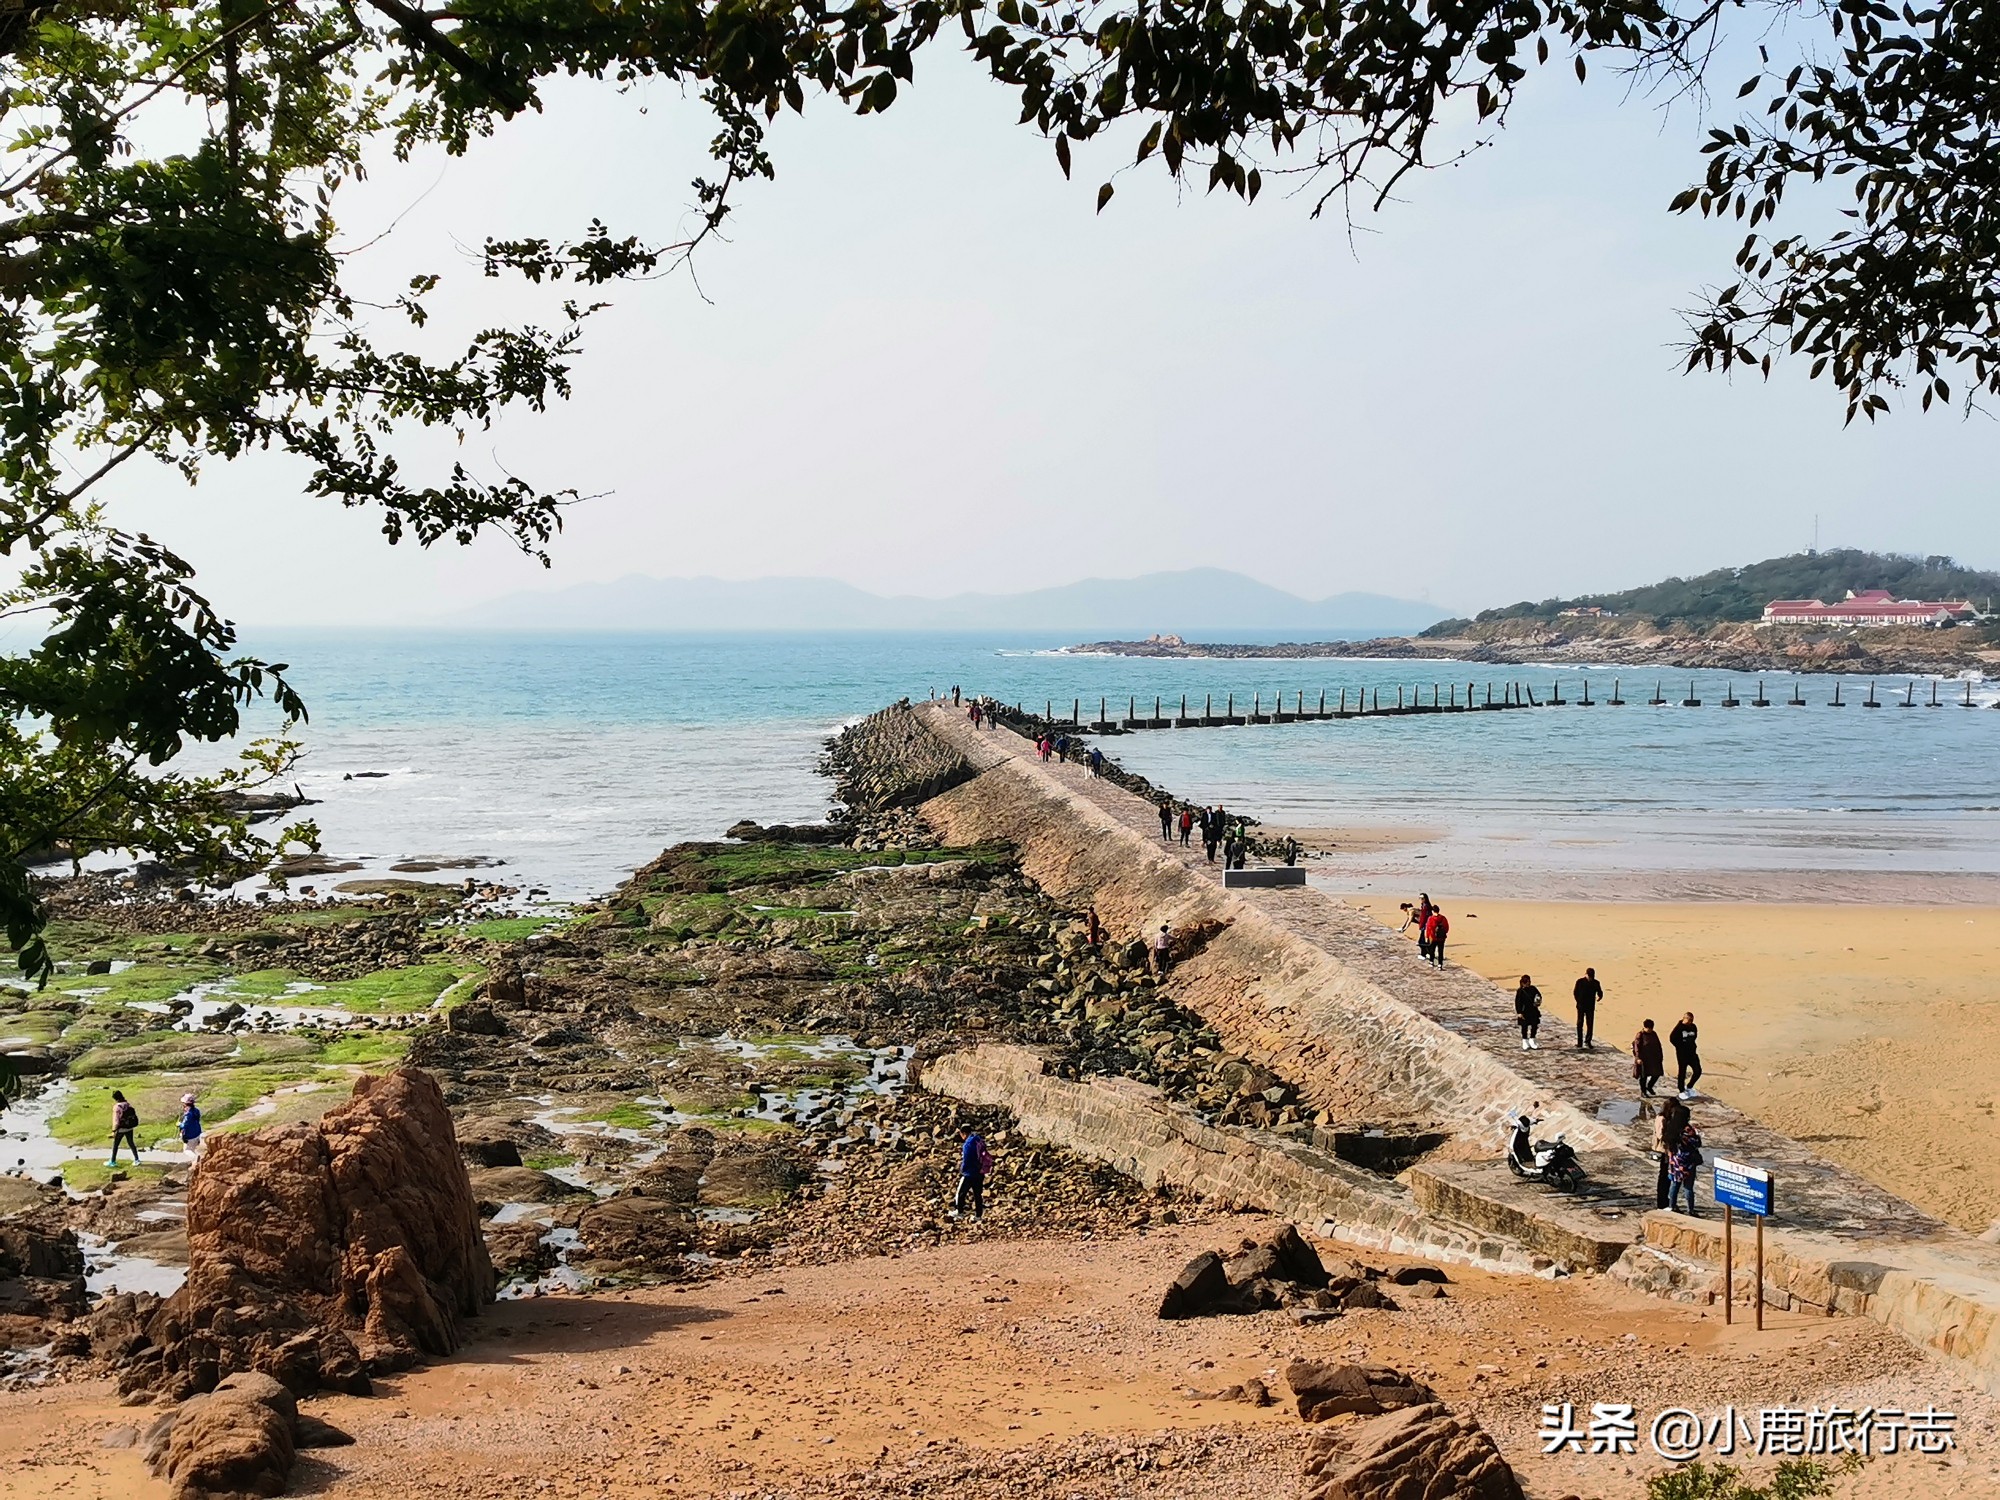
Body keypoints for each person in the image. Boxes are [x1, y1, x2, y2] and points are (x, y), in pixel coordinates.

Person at [1652, 1096, 1689, 1209]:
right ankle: (1662, 1201)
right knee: (1664, 1176)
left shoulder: (1668, 1118)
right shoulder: (1661, 1118)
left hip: (1668, 1150)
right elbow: (1660, 1135)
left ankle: (1665, 1200)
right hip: (1663, 1150)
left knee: (1668, 1176)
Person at [1668, 1116, 1704, 1215]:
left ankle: (1672, 1205)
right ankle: (1690, 1210)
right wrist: (1695, 1135)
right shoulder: (1689, 1136)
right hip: (1688, 1165)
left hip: (1676, 1163)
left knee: (1675, 1184)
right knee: (1688, 1187)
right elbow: (1697, 1144)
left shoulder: (1673, 1132)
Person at [954, 1127, 992, 1218]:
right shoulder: (978, 1140)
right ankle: (978, 1215)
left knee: (961, 1193)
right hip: (980, 1172)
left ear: (963, 1133)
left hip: (969, 1173)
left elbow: (966, 1159)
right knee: (977, 1195)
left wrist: (963, 1169)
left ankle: (960, 1212)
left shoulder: (967, 1144)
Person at [1670, 1012, 1703, 1098]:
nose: (1691, 1022)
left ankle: (1689, 1086)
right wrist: (1680, 1046)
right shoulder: (1679, 1028)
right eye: (1689, 1020)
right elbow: (1672, 1038)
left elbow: (1694, 1036)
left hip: (1692, 1053)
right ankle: (1681, 1090)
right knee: (1682, 1072)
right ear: (1685, 1018)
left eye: (1692, 1020)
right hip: (1682, 1054)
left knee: (1698, 1071)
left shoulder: (1693, 1027)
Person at [1632, 1020, 1665, 1098]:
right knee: (1643, 1076)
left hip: (1653, 1058)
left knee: (1657, 1073)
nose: (1650, 1030)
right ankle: (1643, 1091)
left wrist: (1660, 1056)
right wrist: (1638, 1058)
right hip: (1643, 1059)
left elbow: (1658, 1045)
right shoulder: (1640, 1035)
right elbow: (1636, 1047)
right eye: (1648, 1028)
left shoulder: (1654, 1034)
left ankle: (1649, 1086)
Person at [1573, 967, 1603, 1050]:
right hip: (1581, 1006)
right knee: (1579, 1023)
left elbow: (1600, 992)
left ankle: (1588, 1041)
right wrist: (1578, 1001)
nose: (1590, 978)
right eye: (1589, 976)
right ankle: (1580, 1042)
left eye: (1592, 977)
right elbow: (1575, 993)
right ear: (1586, 974)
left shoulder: (1596, 983)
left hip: (1590, 1007)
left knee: (1590, 1024)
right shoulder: (1580, 982)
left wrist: (1599, 997)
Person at [107, 1090, 138, 1167]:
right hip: (129, 1127)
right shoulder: (127, 1104)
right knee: (131, 1143)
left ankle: (113, 1161)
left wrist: (114, 1131)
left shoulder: (117, 1107)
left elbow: (116, 1121)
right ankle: (136, 1159)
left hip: (121, 1129)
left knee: (115, 1145)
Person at [1514, 975, 1543, 1050]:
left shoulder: (1533, 988)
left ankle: (1532, 1039)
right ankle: (1525, 1040)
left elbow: (1539, 995)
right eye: (1527, 982)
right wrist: (1519, 1012)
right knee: (1524, 1026)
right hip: (1524, 1011)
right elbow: (1518, 1002)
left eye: (1529, 982)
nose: (1528, 984)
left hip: (1533, 1010)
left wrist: (1538, 1001)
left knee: (1534, 1025)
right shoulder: (1520, 991)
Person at [178, 1093, 204, 1159]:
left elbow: (184, 1125)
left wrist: (179, 1124)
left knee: (187, 1150)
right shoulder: (196, 1111)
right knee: (193, 1149)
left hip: (190, 1136)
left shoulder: (188, 1114)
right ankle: (196, 1161)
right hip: (197, 1133)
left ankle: (196, 1158)